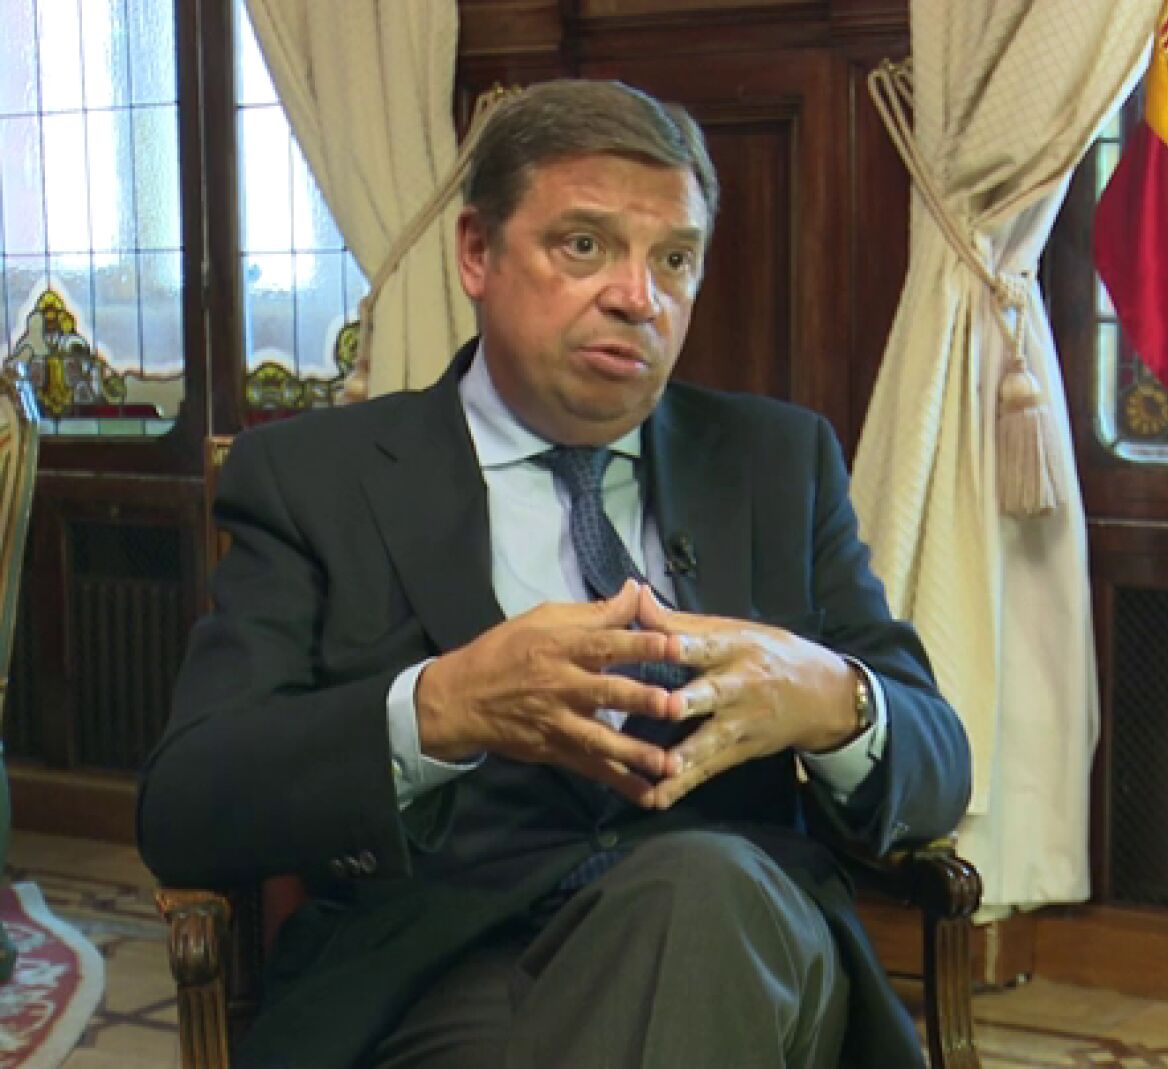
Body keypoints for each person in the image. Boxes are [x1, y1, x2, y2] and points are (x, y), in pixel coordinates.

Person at [137, 79, 972, 1069]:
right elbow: (189, 805)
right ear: (476, 252)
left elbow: (937, 770)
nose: (637, 296)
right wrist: (440, 709)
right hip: (440, 971)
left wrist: (831, 697)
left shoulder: (777, 463)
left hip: (740, 946)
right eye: (584, 245)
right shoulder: (317, 478)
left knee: (702, 893)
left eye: (675, 259)